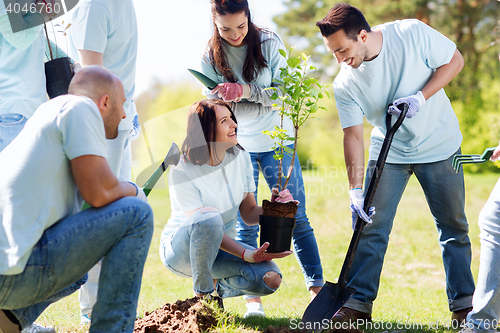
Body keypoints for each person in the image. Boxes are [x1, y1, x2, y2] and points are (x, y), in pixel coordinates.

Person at [316, 3, 475, 324]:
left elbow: (455, 60)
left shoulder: (411, 33)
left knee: (453, 227)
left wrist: (421, 96)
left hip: (442, 145)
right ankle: (357, 305)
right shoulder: (345, 82)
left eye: (343, 49)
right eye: (333, 53)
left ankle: (464, 306)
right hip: (389, 152)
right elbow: (353, 136)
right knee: (370, 227)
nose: (340, 60)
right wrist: (355, 189)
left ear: (363, 35)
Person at [0, 66, 153, 333]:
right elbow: (99, 193)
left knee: (80, 269)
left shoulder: (47, 113)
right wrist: (134, 190)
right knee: (137, 211)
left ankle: (7, 321)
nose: (125, 114)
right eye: (123, 104)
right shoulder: (81, 109)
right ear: (105, 102)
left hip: (6, 270)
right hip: (10, 276)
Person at [200, 0, 324, 318]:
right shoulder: (209, 54)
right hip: (238, 147)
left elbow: (283, 93)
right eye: (225, 28)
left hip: (277, 142)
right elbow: (214, 109)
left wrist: (243, 91)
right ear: (214, 23)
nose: (234, 34)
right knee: (245, 224)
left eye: (241, 26)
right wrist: (218, 98)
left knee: (295, 215)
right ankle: (252, 300)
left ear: (249, 18)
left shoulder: (268, 42)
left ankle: (318, 291)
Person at [160, 99, 292, 306]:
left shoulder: (241, 158)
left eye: (232, 117)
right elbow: (203, 225)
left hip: (222, 249)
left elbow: (248, 213)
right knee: (209, 217)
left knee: (270, 279)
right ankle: (202, 301)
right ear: (206, 130)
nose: (234, 124)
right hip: (181, 251)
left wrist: (274, 210)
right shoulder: (181, 169)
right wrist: (244, 253)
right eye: (224, 120)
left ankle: (214, 290)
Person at [67, 0, 140, 323]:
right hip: (111, 120)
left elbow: (90, 78)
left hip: (109, 121)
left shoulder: (99, 4)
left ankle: (98, 307)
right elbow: (94, 75)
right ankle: (95, 307)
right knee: (105, 212)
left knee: (104, 213)